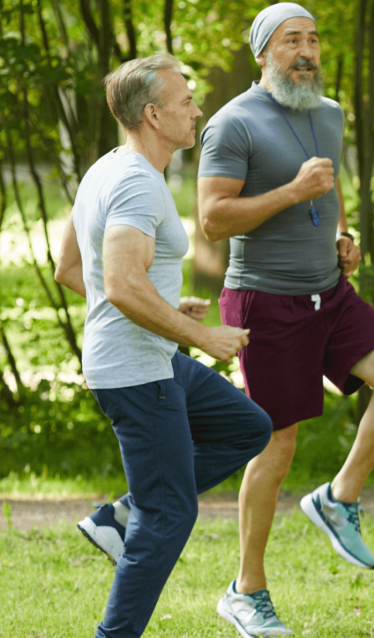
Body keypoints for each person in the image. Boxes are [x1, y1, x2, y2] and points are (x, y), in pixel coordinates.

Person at [194, 2, 374, 637]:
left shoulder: (330, 112)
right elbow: (212, 217)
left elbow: (331, 187)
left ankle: (339, 497)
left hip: (329, 291)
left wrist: (343, 234)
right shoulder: (232, 124)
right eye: (292, 40)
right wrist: (291, 191)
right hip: (264, 300)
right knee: (276, 443)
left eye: (314, 38)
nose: (306, 50)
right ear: (264, 53)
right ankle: (246, 590)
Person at [54, 54, 273, 638]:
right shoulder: (135, 185)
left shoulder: (107, 169)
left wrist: (163, 310)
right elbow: (121, 283)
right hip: (136, 373)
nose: (197, 110)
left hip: (150, 358)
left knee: (248, 426)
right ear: (152, 114)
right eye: (184, 102)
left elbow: (73, 269)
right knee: (171, 513)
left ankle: (121, 513)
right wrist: (201, 334)